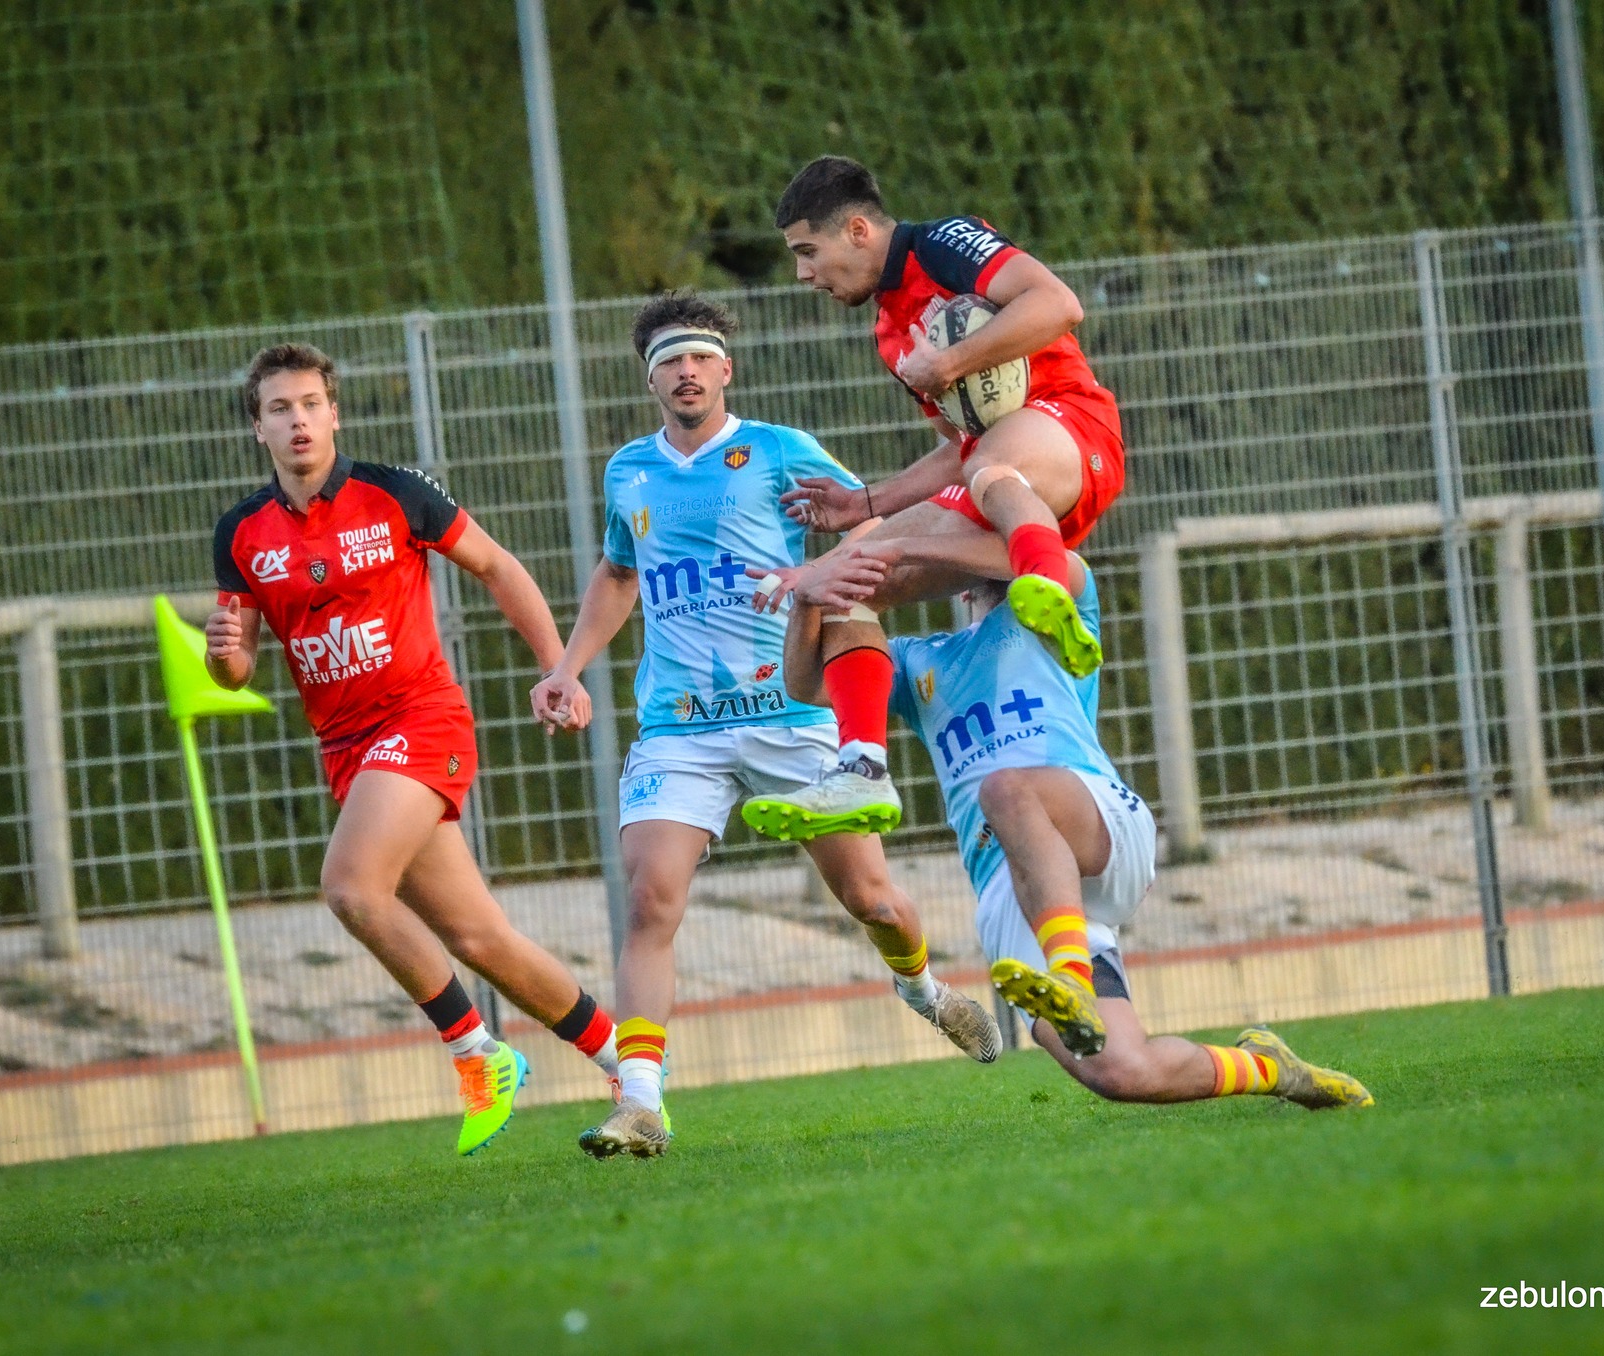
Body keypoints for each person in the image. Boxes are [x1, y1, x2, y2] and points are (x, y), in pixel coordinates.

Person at [529, 293, 1001, 1160]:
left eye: (700, 357)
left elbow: (872, 527)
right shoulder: (628, 470)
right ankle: (641, 1101)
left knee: (869, 898)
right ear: (650, 377)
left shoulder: (780, 453)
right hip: (680, 726)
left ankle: (926, 990)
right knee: (648, 896)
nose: (686, 371)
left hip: (790, 709)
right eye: (669, 360)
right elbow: (617, 571)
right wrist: (566, 666)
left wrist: (818, 568)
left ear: (725, 369)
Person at [765, 533, 1375, 1109]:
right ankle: (1273, 1068)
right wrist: (813, 596)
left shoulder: (1049, 602)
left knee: (1004, 791)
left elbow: (1044, 554)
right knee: (1118, 1071)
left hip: (1094, 826)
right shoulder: (919, 658)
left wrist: (899, 543)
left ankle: (1072, 975)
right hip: (1015, 886)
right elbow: (806, 682)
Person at [207, 343, 620, 1157]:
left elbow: (498, 567)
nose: (298, 421)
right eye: (279, 409)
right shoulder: (241, 533)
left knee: (352, 888)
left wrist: (558, 670)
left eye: (311, 404)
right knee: (481, 941)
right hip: (347, 748)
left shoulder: (395, 494)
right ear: (257, 428)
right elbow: (237, 667)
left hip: (421, 718)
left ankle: (477, 1055)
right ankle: (630, 1064)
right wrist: (221, 653)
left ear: (336, 412)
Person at [745, 155, 1129, 841]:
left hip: (1072, 430)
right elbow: (963, 445)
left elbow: (1057, 303)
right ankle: (860, 768)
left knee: (995, 467)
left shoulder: (941, 243)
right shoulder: (890, 332)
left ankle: (1047, 585)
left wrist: (951, 361)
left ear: (858, 230)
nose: (805, 274)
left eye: (808, 252)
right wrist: (868, 504)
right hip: (998, 472)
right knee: (847, 576)